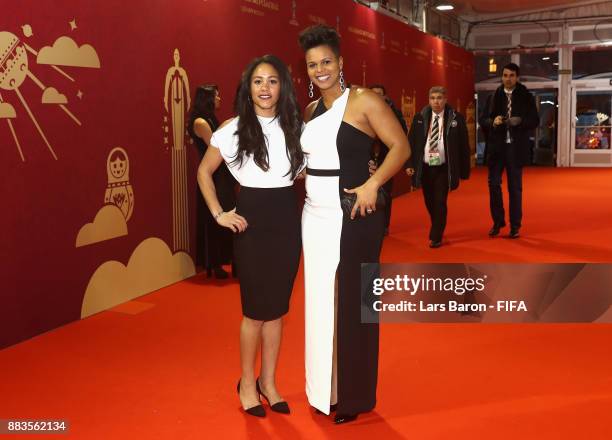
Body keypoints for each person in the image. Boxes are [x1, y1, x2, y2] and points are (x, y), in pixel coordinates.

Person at [298, 25, 410, 424]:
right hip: (315, 218)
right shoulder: (311, 111)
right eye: (312, 65)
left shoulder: (363, 100)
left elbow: (401, 146)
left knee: (353, 307)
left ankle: (352, 396)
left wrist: (374, 183)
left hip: (355, 219)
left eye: (326, 61)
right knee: (322, 305)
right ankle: (323, 387)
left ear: (340, 62)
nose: (320, 70)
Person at [197, 55, 304, 418]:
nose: (264, 88)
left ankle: (269, 383)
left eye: (272, 81)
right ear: (248, 87)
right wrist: (218, 214)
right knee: (255, 312)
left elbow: (308, 170)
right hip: (252, 221)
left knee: (277, 311)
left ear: (282, 87)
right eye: (258, 81)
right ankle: (246, 382)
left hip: (287, 221)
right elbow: (203, 172)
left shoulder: (295, 126)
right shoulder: (233, 128)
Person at [405, 86, 471, 248]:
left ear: (445, 99)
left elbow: (464, 146)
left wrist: (464, 171)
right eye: (433, 98)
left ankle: (436, 235)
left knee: (440, 201)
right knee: (429, 201)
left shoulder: (456, 119)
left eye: (439, 98)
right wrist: (409, 164)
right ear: (429, 100)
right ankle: (438, 224)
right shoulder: (420, 118)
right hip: (426, 166)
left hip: (443, 167)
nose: (436, 101)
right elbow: (410, 143)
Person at [479, 63, 539, 238]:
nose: (508, 78)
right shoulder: (493, 97)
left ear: (517, 77)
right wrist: (493, 122)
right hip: (496, 149)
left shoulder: (526, 97)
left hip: (516, 149)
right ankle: (498, 222)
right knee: (493, 185)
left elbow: (535, 120)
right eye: (505, 75)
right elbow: (483, 120)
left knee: (515, 188)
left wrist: (520, 121)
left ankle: (515, 226)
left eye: (511, 75)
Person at [188, 84, 235, 278]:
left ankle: (223, 261)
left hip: (221, 174)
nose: (219, 99)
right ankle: (212, 263)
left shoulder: (210, 118)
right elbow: (215, 145)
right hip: (211, 175)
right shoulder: (200, 122)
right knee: (213, 220)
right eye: (216, 96)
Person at [369, 84, 408, 235]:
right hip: (368, 157)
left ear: (385, 96)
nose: (376, 97)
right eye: (373, 94)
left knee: (384, 192)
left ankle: (384, 225)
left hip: (387, 158)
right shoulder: (362, 111)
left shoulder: (394, 113)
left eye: (379, 94)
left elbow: (402, 136)